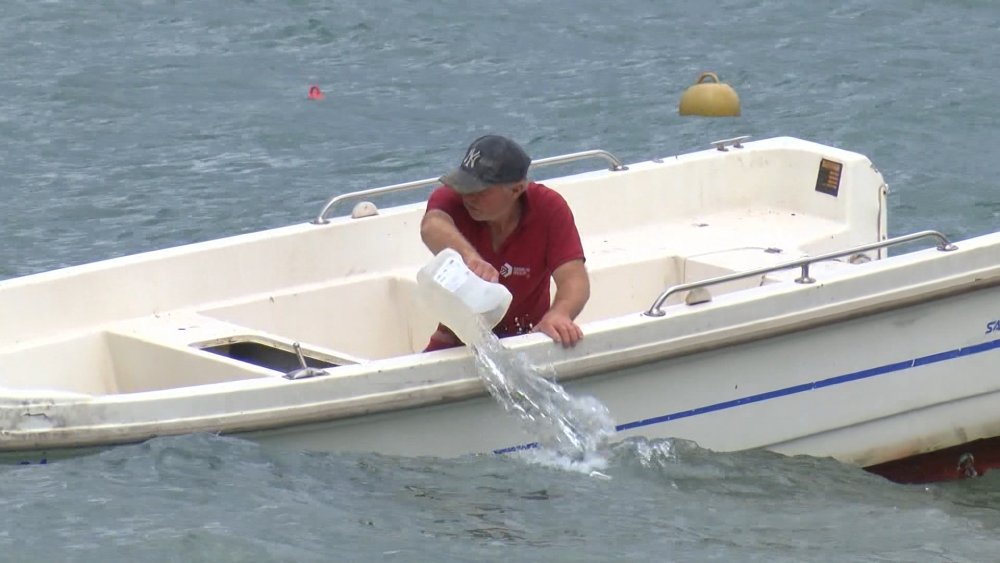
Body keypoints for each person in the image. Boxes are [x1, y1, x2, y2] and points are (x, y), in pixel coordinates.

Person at [420, 134, 590, 351]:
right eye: (464, 186)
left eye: (479, 190)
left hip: (527, 337)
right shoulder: (451, 198)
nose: (468, 197)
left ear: (516, 189)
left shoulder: (549, 208)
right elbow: (432, 225)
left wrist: (560, 314)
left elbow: (574, 278)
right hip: (458, 339)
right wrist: (469, 257)